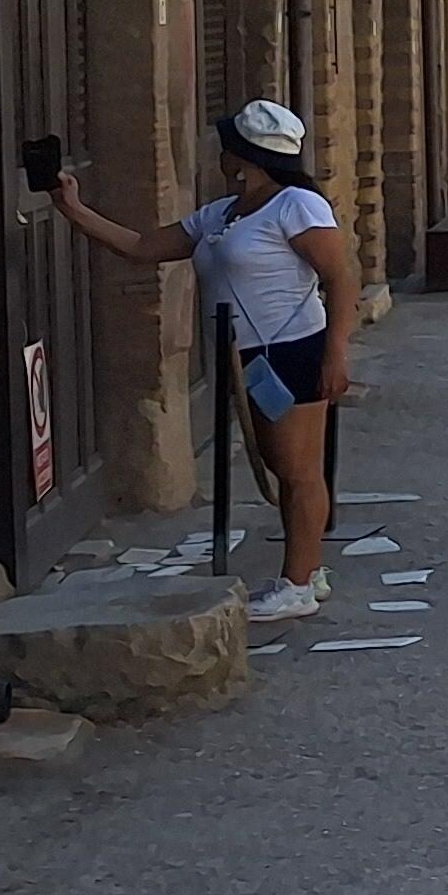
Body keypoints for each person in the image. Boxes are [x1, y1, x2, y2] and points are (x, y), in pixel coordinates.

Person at [53, 100, 357, 623]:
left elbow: (341, 276)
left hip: (291, 347)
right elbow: (145, 247)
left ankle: (301, 583)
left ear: (244, 155)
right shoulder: (221, 214)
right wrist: (74, 211)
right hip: (248, 356)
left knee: (297, 469)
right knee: (281, 466)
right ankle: (305, 569)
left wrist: (336, 353)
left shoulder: (296, 207)